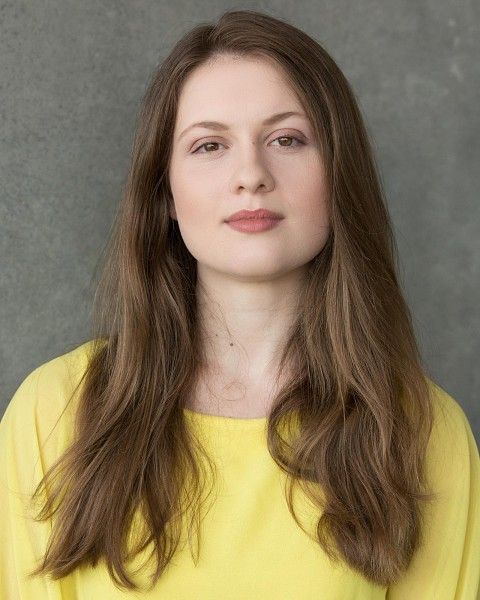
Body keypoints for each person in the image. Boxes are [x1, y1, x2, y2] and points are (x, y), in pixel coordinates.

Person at [1, 9, 479, 599]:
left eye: (287, 139)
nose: (251, 174)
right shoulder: (52, 414)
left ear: (338, 173)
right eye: (209, 145)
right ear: (165, 192)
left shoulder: (422, 432)